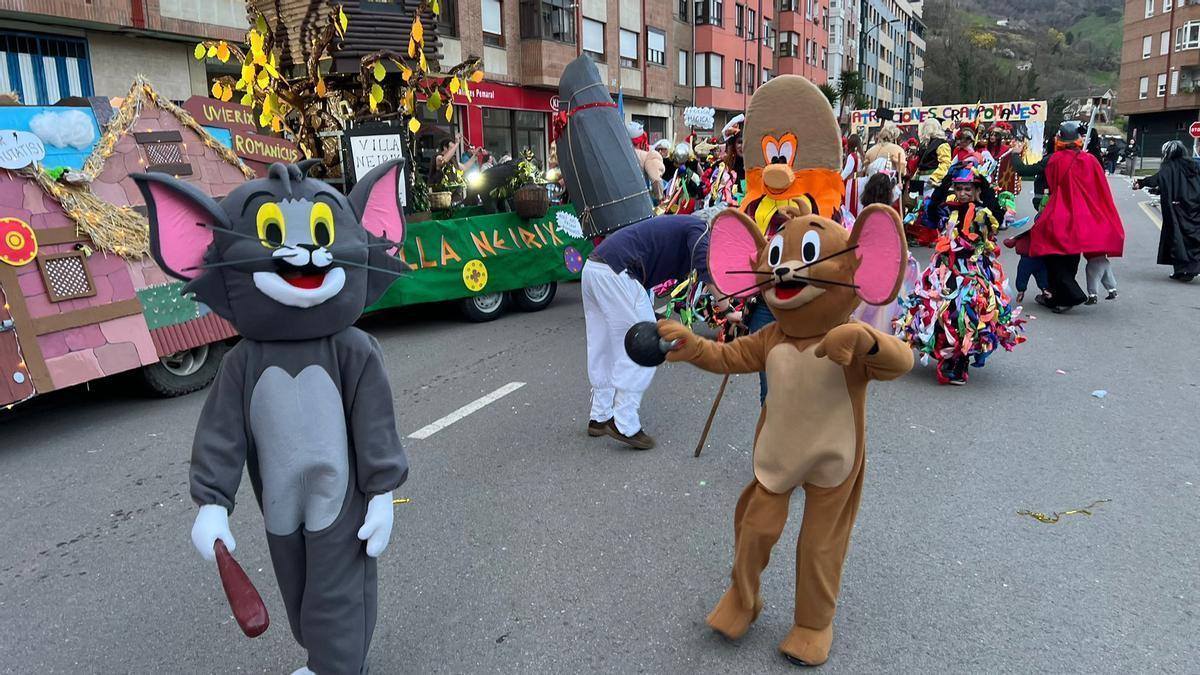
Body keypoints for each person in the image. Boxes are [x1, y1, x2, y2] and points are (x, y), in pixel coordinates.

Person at [581, 214, 717, 450]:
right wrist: (724, 306)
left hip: (594, 268)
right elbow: (703, 262)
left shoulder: (685, 225)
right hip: (617, 272)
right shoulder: (702, 227)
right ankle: (625, 424)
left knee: (602, 344)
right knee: (645, 346)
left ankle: (600, 416)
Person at [896, 161, 1026, 385]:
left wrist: (983, 183)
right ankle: (945, 354)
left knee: (965, 315)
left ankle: (960, 360)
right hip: (944, 270)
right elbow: (931, 209)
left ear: (976, 190)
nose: (963, 193)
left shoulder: (984, 212)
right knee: (937, 312)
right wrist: (947, 178)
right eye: (959, 189)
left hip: (972, 273)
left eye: (968, 189)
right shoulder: (947, 208)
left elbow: (996, 211)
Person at [1029, 121, 1125, 313]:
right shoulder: (1090, 160)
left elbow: (1025, 170)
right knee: (1071, 256)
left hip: (1060, 213)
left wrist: (1015, 154)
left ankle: (1070, 295)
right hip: (1083, 215)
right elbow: (1100, 190)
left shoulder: (1054, 159)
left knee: (1051, 253)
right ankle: (1057, 297)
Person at [1135, 140, 1200, 281]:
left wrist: (1141, 183)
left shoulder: (1168, 166)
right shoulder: (1192, 165)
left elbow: (1157, 179)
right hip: (1193, 206)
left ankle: (1183, 269)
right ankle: (1189, 268)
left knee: (1176, 238)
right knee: (1192, 237)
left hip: (1175, 208)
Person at [841, 134, 863, 220]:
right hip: (860, 182)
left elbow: (846, 173)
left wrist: (837, 180)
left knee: (849, 207)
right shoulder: (861, 155)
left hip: (851, 184)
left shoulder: (852, 156)